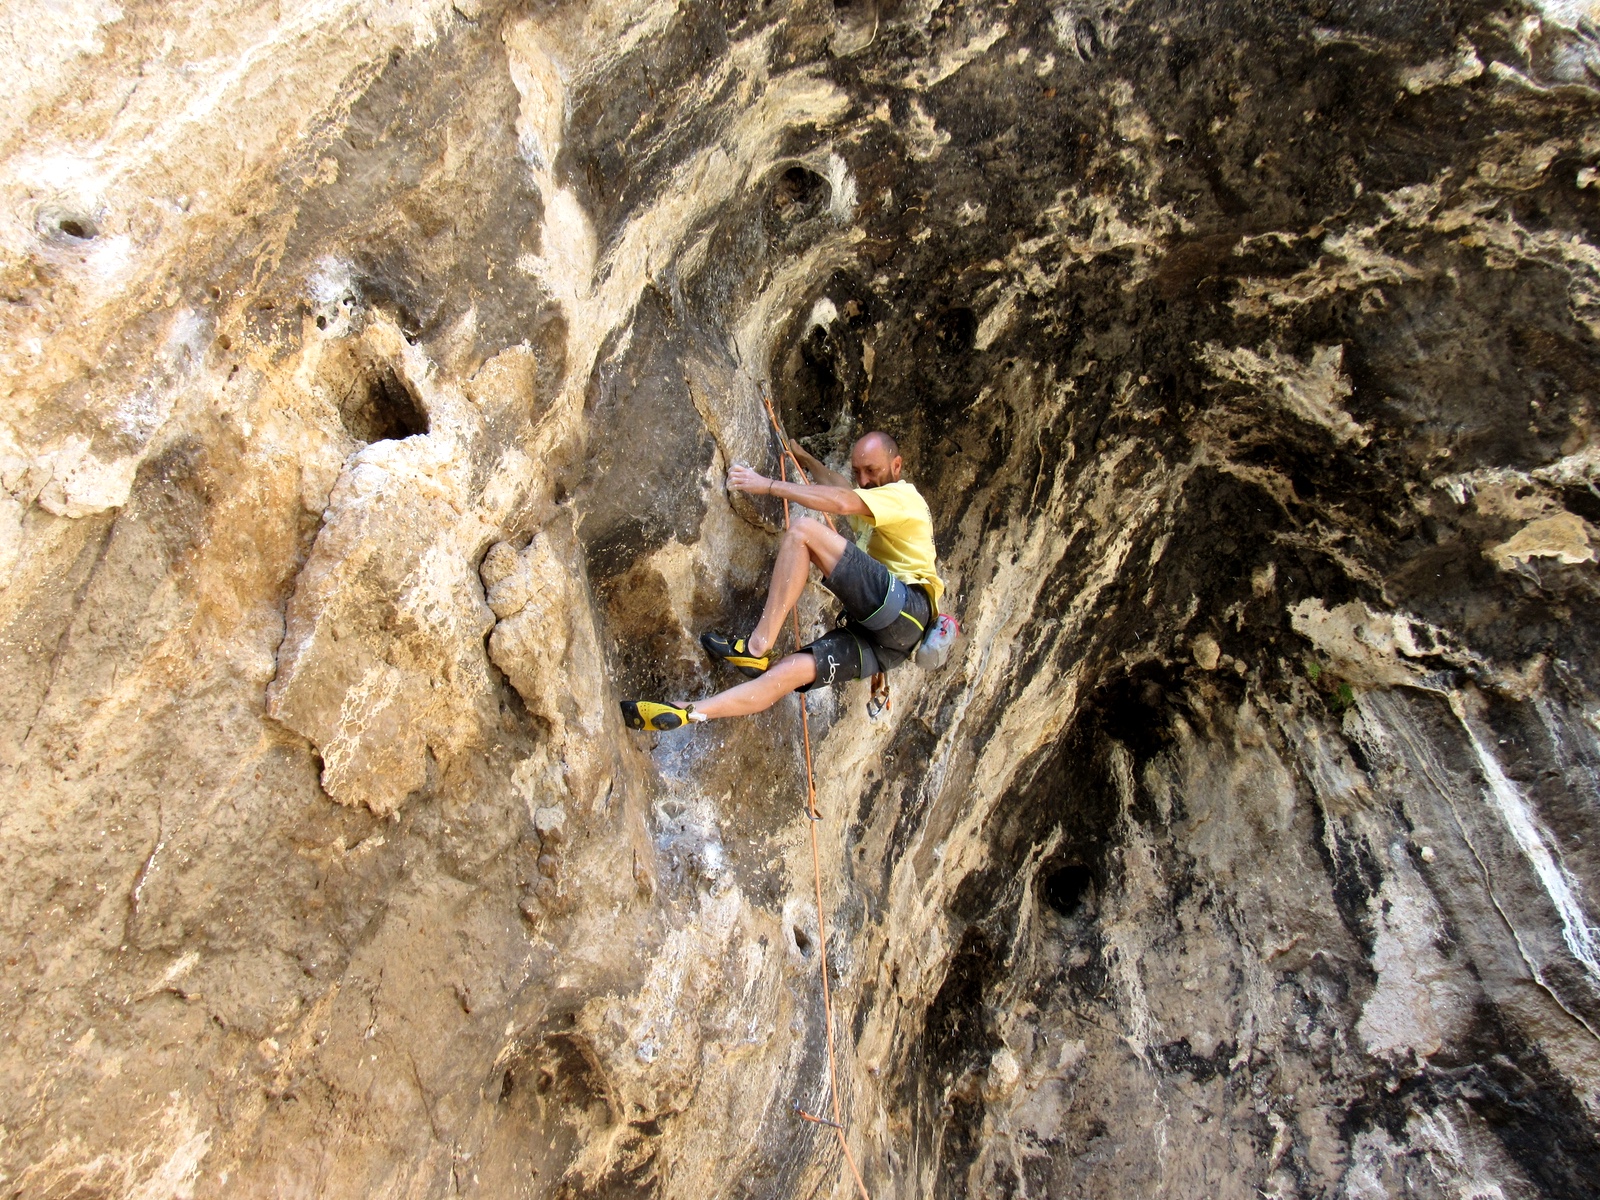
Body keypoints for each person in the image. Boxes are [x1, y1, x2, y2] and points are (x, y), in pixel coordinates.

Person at [620, 431, 945, 730]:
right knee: (784, 674)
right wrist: (803, 458)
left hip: (906, 607)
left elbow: (843, 501)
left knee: (803, 531)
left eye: (871, 470)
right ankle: (687, 711)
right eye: (857, 471)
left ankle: (756, 646)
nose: (863, 479)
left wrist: (769, 485)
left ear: (896, 465)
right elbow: (839, 487)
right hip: (892, 643)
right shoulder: (875, 502)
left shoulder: (904, 497)